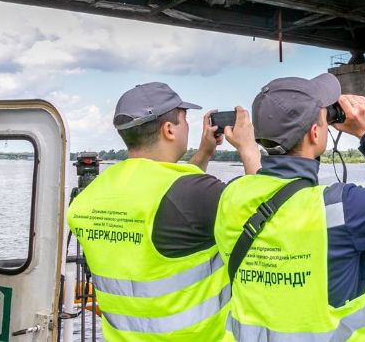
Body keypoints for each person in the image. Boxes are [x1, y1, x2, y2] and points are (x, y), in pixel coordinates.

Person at [214, 73, 365, 340]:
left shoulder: (230, 196)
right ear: (314, 132)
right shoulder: (341, 208)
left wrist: (247, 148)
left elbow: (265, 188)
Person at [67, 82, 261, 341]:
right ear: (169, 129)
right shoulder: (192, 194)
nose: (189, 127)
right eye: (184, 120)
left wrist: (204, 153)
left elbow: (170, 193)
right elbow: (267, 215)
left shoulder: (87, 199)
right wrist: (249, 149)